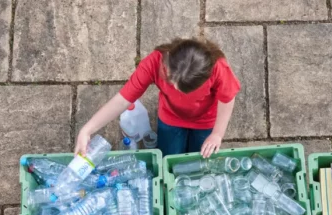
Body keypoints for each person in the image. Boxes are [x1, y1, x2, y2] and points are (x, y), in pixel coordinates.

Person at [75, 38, 240, 158]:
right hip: (171, 117)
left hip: (206, 120)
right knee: (169, 156)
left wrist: (217, 134)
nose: (176, 91)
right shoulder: (154, 62)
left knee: (198, 157)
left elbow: (227, 98)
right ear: (167, 61)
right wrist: (86, 130)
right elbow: (123, 100)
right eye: (171, 82)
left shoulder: (218, 67)